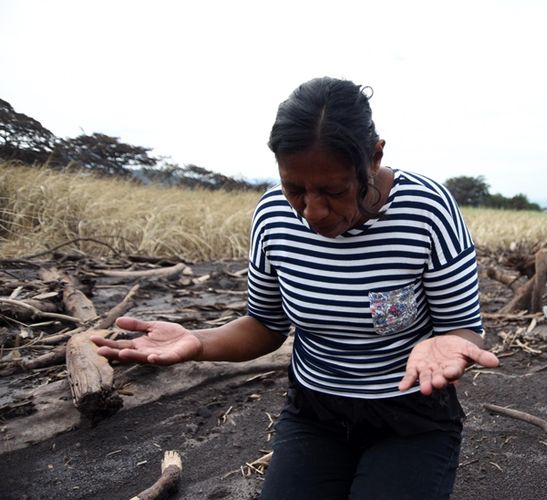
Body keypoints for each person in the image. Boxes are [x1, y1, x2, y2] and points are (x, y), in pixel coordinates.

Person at [92, 77, 499, 500]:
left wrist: (451, 344)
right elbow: (266, 326)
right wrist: (197, 342)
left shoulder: (427, 210)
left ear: (375, 156)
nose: (312, 211)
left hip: (413, 419)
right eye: (295, 189)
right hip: (315, 414)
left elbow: (463, 328)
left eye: (333, 191)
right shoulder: (273, 217)